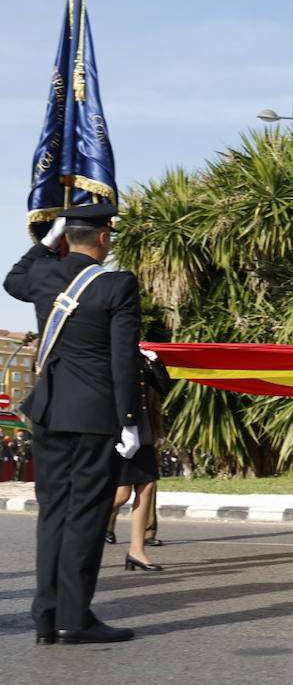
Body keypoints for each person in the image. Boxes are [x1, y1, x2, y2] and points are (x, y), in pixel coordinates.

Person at [4, 203, 143, 643]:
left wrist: (47, 240)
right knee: (84, 516)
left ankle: (46, 618)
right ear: (103, 239)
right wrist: (130, 421)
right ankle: (72, 620)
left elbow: (12, 281)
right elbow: (123, 359)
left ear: (67, 237)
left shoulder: (45, 276)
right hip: (95, 416)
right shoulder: (118, 284)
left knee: (53, 516)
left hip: (47, 411)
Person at [109, 350, 174, 571]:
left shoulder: (140, 360)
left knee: (146, 488)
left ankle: (136, 551)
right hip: (120, 434)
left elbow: (164, 387)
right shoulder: (109, 355)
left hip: (142, 433)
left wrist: (155, 361)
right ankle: (81, 527)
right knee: (121, 495)